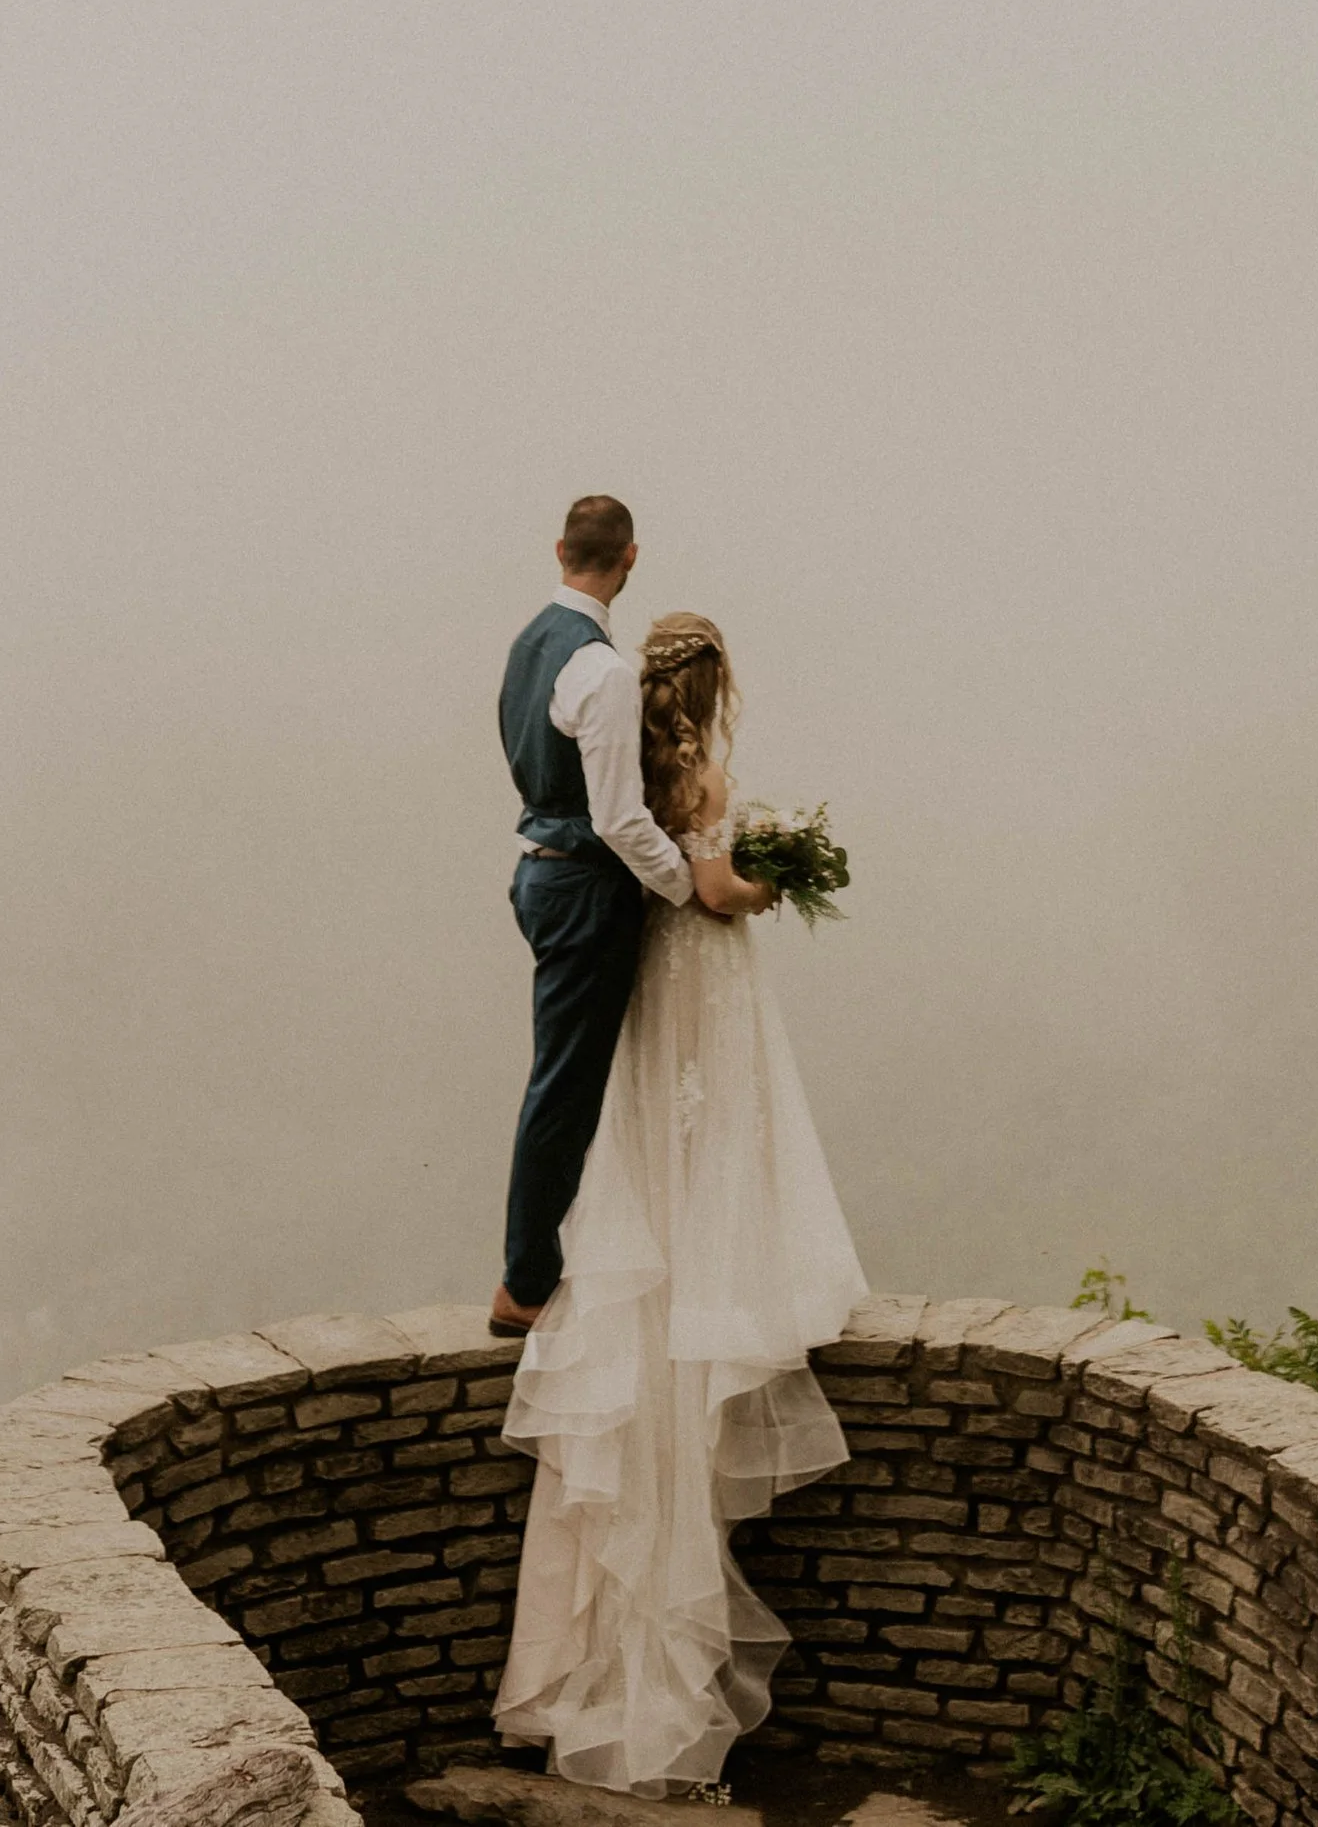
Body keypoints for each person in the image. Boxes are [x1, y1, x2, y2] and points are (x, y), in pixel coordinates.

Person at [495, 607, 867, 1794]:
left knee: (652, 1136)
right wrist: (769, 880)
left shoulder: (625, 764)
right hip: (702, 976)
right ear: (713, 687)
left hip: (645, 984)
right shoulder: (697, 769)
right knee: (718, 1141)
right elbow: (711, 891)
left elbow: (650, 864)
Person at [493, 496, 746, 1337]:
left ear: (560, 548)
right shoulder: (600, 669)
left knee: (569, 1079)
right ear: (629, 558)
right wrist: (689, 890)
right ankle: (526, 1284)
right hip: (585, 888)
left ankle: (560, 1262)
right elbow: (619, 817)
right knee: (565, 1086)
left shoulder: (529, 645)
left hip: (541, 870)